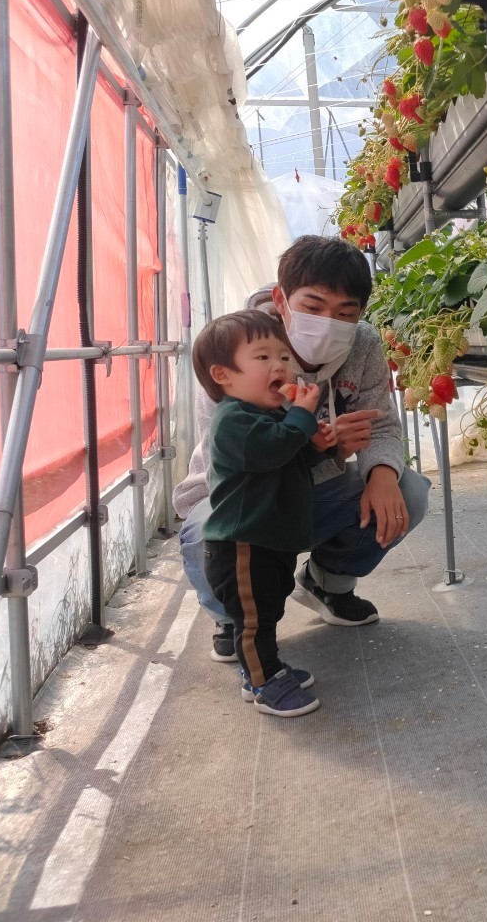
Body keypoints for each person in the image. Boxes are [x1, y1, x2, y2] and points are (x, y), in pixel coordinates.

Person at [174, 235, 431, 662]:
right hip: (235, 498)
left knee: (410, 494)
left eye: (346, 313)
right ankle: (232, 616)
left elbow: (381, 422)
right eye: (313, 307)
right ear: (281, 298)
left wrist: (381, 473)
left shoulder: (364, 343)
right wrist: (325, 446)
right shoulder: (233, 348)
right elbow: (236, 460)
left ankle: (327, 584)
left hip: (314, 491)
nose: (329, 322)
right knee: (209, 534)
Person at [193, 310, 334, 716]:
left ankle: (266, 667)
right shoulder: (232, 420)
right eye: (262, 358)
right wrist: (302, 419)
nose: (281, 366)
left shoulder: (268, 416)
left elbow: (286, 460)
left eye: (284, 356)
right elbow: (272, 449)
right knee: (252, 621)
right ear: (223, 375)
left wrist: (314, 446)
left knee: (268, 611)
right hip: (241, 546)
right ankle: (263, 683)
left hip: (266, 540)